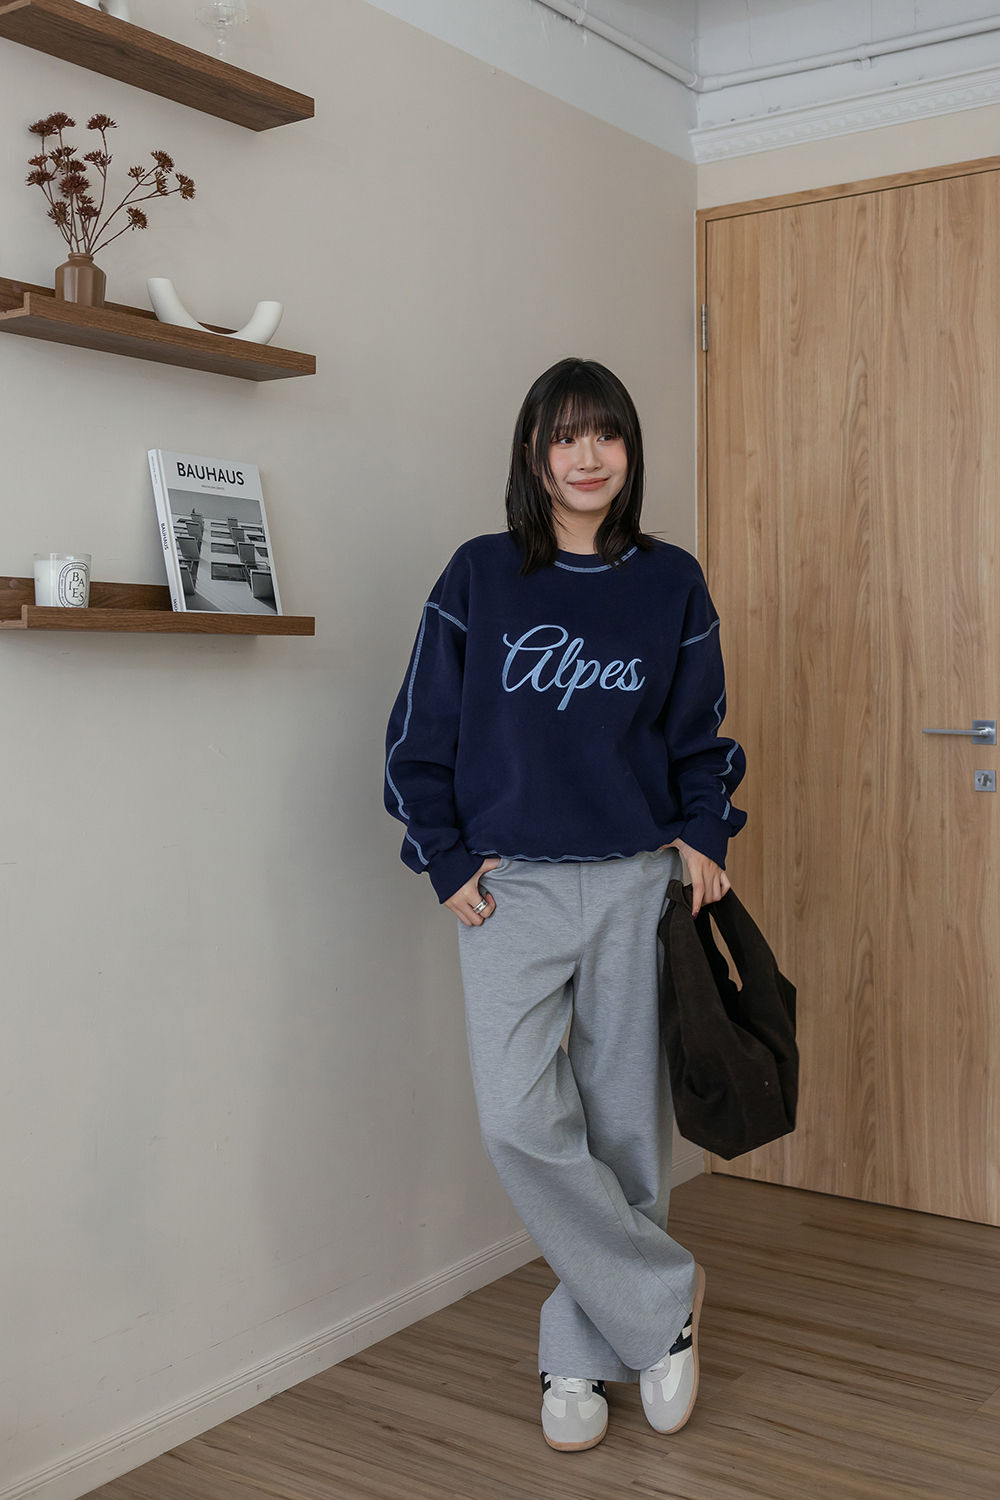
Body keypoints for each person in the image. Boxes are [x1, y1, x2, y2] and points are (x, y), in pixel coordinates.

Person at [384, 358, 745, 1451]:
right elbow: (417, 736)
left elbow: (699, 737)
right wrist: (445, 860)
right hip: (510, 892)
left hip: (637, 882)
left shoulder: (670, 582)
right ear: (533, 454)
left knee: (627, 1129)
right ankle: (663, 1300)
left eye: (606, 435)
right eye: (564, 437)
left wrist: (705, 834)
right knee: (518, 1119)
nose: (587, 457)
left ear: (629, 451)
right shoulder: (480, 576)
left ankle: (580, 1355)